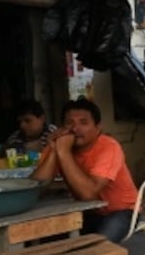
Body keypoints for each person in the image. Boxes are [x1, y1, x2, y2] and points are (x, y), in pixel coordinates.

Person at [30, 99, 138, 241]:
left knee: (98, 247)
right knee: (45, 239)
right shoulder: (62, 145)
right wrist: (54, 151)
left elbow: (88, 194)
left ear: (98, 127)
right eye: (69, 123)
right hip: (88, 210)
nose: (75, 129)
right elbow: (36, 189)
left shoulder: (109, 146)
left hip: (122, 211)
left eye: (83, 122)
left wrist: (64, 153)